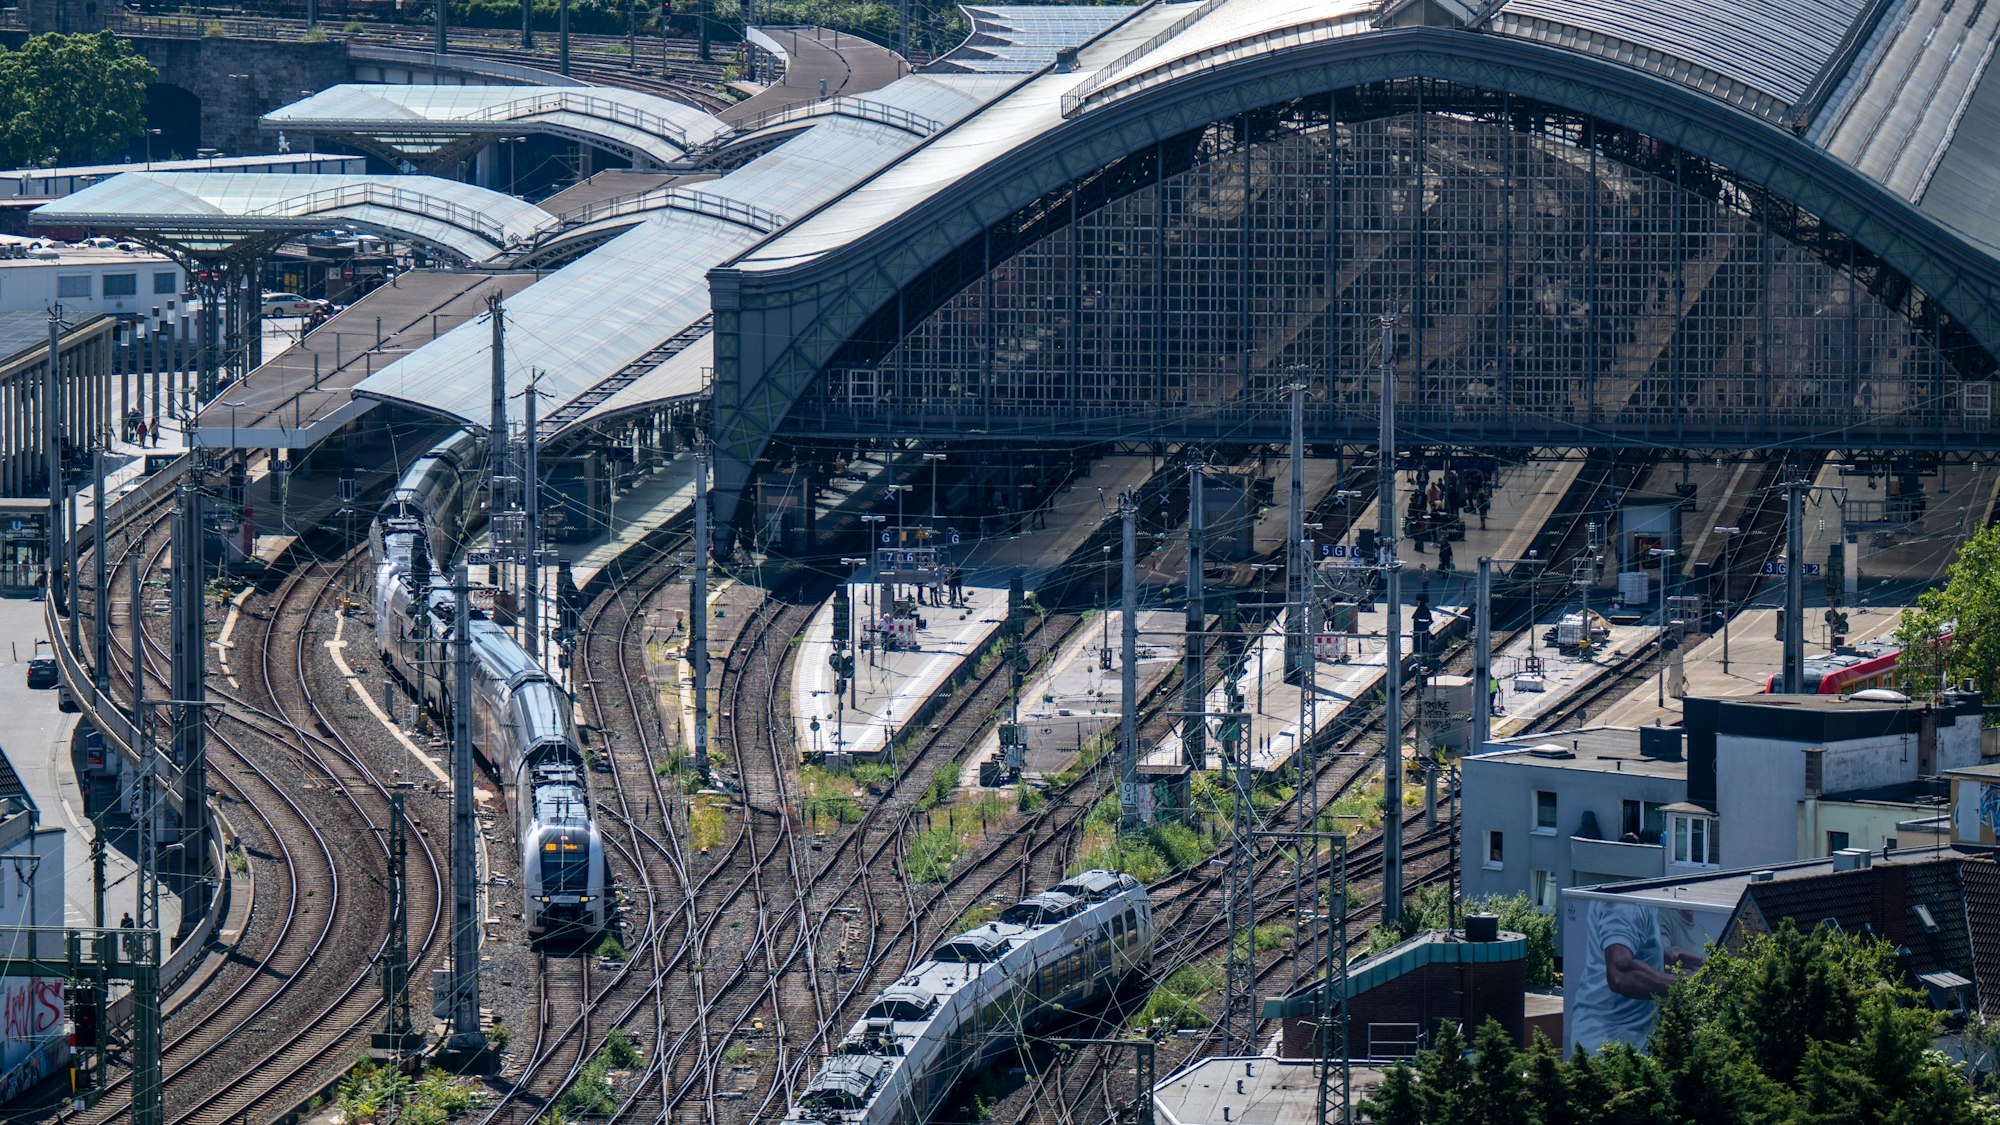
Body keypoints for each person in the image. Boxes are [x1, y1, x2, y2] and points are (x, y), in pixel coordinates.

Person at [1567, 899, 1708, 1055]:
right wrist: (1689, 985)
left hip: (1622, 1037)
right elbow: (1620, 973)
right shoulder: (1626, 905)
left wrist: (1663, 954)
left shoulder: (1639, 901)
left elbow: (1629, 947)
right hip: (1612, 1041)